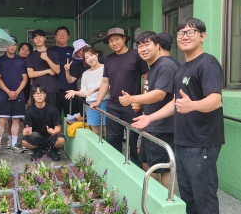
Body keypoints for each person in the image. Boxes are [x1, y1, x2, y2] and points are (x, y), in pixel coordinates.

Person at [132, 18, 224, 214]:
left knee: (203, 190)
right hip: (183, 139)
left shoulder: (207, 63)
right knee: (189, 191)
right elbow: (175, 103)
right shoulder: (182, 69)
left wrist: (193, 105)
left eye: (191, 32)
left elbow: (215, 99)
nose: (185, 36)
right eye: (181, 32)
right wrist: (150, 118)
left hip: (202, 140)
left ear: (202, 36)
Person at [119, 31, 178, 189]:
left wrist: (133, 99)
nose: (143, 49)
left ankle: (166, 201)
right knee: (149, 165)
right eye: (140, 46)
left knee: (164, 168)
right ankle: (154, 197)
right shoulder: (154, 66)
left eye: (147, 44)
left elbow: (159, 94)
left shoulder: (165, 66)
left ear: (158, 46)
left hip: (162, 127)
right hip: (150, 124)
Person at [90, 27, 148, 166]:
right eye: (111, 41)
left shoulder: (136, 55)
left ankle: (135, 170)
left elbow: (146, 78)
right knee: (112, 140)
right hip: (113, 106)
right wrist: (98, 101)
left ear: (124, 39)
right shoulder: (109, 59)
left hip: (132, 106)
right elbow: (105, 82)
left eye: (116, 39)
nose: (114, 43)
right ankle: (114, 168)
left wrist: (140, 101)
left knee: (133, 141)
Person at [0, 38, 28, 155]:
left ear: (16, 46)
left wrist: (17, 92)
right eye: (9, 45)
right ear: (5, 46)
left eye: (14, 45)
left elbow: (25, 78)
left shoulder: (21, 61)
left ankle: (13, 144)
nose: (12, 47)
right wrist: (8, 91)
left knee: (16, 119)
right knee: (2, 119)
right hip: (4, 95)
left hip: (19, 95)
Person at [65, 47, 108, 136]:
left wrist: (98, 88)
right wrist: (75, 92)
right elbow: (85, 92)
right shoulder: (85, 74)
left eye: (91, 55)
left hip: (106, 101)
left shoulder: (106, 68)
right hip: (91, 104)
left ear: (96, 54)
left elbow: (111, 85)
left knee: (108, 130)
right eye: (86, 58)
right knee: (95, 132)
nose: (90, 59)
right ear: (85, 61)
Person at [21, 84, 66, 161]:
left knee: (61, 139)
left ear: (45, 95)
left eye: (41, 93)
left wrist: (53, 131)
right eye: (36, 93)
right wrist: (27, 132)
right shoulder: (29, 111)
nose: (39, 95)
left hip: (51, 136)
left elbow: (58, 128)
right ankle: (37, 150)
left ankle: (53, 150)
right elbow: (30, 131)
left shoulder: (53, 110)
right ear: (33, 95)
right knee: (24, 141)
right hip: (37, 137)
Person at [26, 30, 60, 108]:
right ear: (33, 40)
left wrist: (47, 58)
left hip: (51, 89)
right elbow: (31, 74)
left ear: (44, 38)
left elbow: (57, 71)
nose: (38, 39)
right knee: (37, 113)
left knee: (51, 112)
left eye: (40, 37)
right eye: (36, 38)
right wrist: (47, 71)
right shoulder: (31, 56)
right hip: (36, 91)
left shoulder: (53, 53)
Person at [47, 26, 76, 116]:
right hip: (53, 89)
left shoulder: (74, 51)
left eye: (64, 33)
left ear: (69, 36)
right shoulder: (49, 51)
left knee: (71, 116)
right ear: (55, 37)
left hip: (70, 89)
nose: (62, 35)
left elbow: (80, 69)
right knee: (53, 116)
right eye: (59, 34)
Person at [18, 42, 33, 107]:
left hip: (27, 92)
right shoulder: (14, 62)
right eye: (23, 49)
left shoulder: (31, 64)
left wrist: (30, 98)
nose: (25, 51)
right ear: (19, 50)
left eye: (27, 50)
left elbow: (32, 83)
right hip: (14, 93)